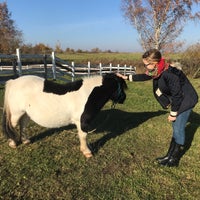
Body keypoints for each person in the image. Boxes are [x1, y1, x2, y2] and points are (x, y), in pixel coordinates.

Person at [117, 49, 198, 167]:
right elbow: (146, 76)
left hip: (186, 100)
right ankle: (169, 156)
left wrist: (173, 113)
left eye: (146, 64)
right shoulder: (157, 70)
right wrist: (127, 78)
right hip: (180, 99)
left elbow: (177, 95)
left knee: (178, 128)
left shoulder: (169, 74)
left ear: (154, 62)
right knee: (176, 128)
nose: (145, 67)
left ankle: (173, 160)